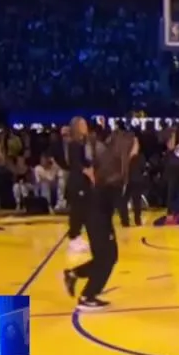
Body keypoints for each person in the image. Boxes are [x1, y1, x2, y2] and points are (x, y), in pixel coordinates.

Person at [64, 131, 132, 310]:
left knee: (109, 256)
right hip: (97, 217)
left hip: (99, 216)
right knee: (107, 258)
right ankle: (87, 296)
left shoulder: (114, 165)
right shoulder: (115, 170)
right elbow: (116, 200)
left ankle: (74, 274)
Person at [64, 118, 95, 252]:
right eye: (83, 124)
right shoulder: (73, 144)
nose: (85, 126)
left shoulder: (84, 143)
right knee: (76, 211)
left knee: (83, 211)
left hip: (84, 181)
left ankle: (78, 236)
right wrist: (87, 171)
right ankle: (73, 237)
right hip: (77, 182)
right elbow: (75, 163)